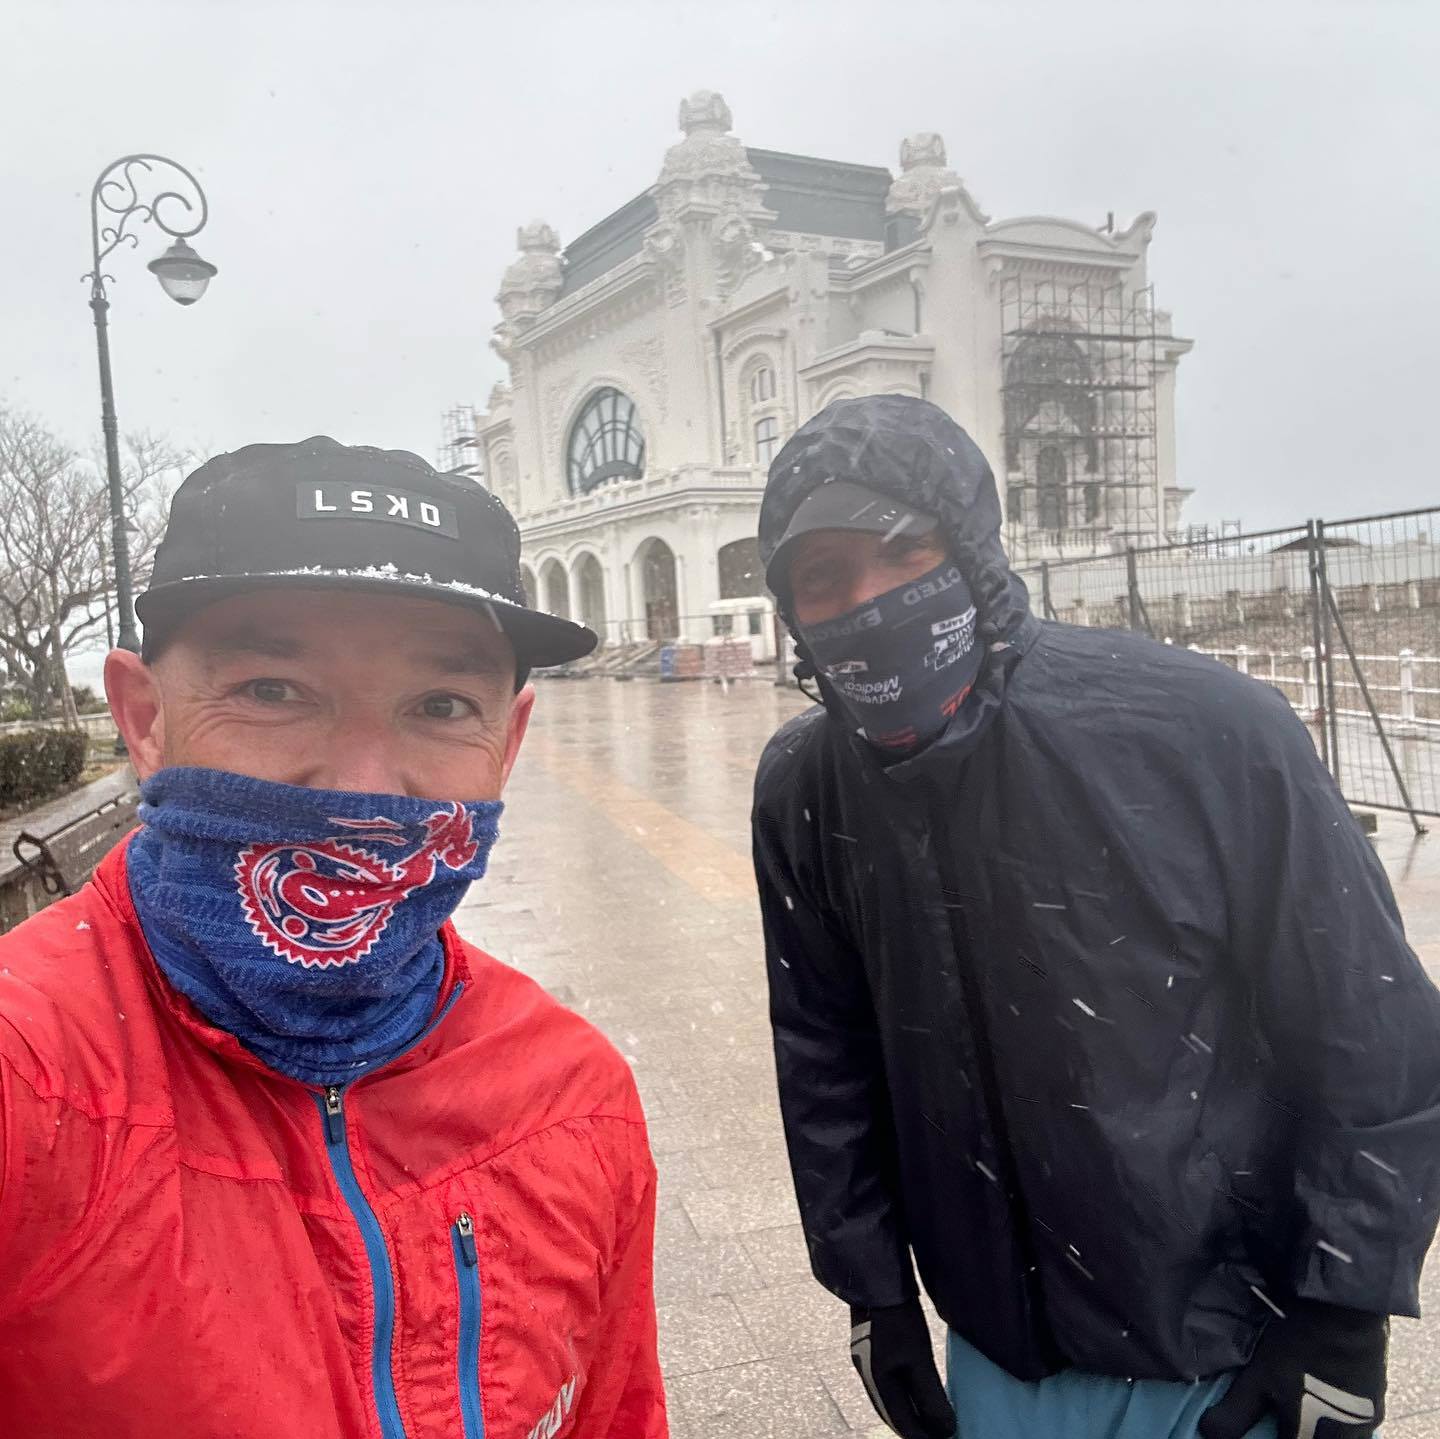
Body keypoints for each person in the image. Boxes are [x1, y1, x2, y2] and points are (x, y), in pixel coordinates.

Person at [751, 395, 1440, 1439]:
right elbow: (826, 1051)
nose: (869, 600)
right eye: (824, 578)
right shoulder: (808, 783)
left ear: (972, 548)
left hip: (1229, 1344)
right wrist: (873, 1289)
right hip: (997, 1347)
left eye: (903, 551)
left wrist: (1344, 1311)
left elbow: (1371, 1025)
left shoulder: (1201, 730)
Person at [0, 438, 667, 1439]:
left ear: (508, 741)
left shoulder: (576, 1098)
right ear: (144, 717)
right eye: (273, 688)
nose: (363, 784)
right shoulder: (27, 1073)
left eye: (440, 705)